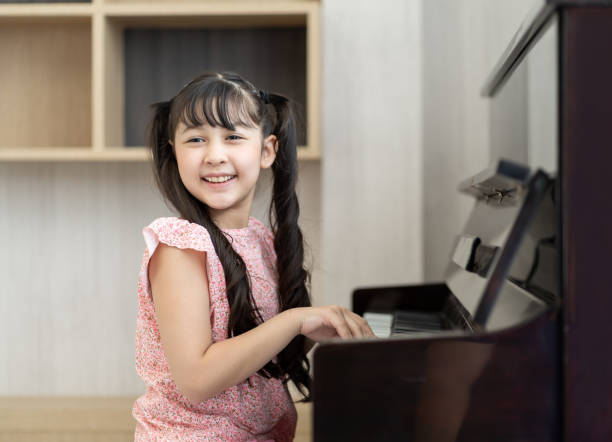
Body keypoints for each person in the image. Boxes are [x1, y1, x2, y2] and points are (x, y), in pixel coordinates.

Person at [131, 71, 375, 441]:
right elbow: (197, 380)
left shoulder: (259, 238)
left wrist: (316, 331)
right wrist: (295, 320)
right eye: (196, 139)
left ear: (266, 151)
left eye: (233, 137)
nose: (214, 155)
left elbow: (256, 341)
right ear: (174, 151)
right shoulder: (180, 245)